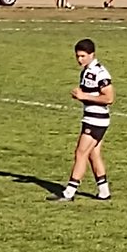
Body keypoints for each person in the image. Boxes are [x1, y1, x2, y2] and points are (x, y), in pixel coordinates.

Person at [49, 38, 114, 202]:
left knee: (80, 152)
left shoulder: (100, 73)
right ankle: (104, 191)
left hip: (96, 120)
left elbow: (109, 98)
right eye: (77, 56)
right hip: (92, 118)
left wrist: (83, 96)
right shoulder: (86, 71)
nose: (80, 59)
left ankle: (69, 192)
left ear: (92, 54)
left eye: (83, 56)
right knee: (93, 154)